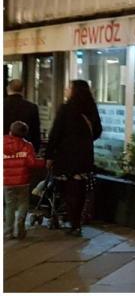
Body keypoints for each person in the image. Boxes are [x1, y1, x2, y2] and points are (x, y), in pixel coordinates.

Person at [45, 80, 103, 236]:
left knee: (66, 190)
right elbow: (98, 131)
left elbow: (56, 133)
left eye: (69, 87)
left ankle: (72, 222)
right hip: (84, 155)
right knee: (80, 189)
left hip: (66, 155)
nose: (66, 89)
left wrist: (49, 155)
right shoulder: (91, 109)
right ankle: (76, 223)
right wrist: (84, 140)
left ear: (75, 91)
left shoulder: (66, 109)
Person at [4, 121, 45, 240]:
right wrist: (44, 162)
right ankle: (21, 227)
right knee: (23, 203)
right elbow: (32, 163)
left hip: (7, 181)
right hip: (23, 181)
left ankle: (8, 232)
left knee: (9, 206)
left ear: (10, 131)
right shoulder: (27, 145)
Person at [4, 80, 41, 152]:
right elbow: (35, 132)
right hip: (24, 150)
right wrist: (35, 149)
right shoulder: (32, 107)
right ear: (23, 90)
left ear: (7, 89)